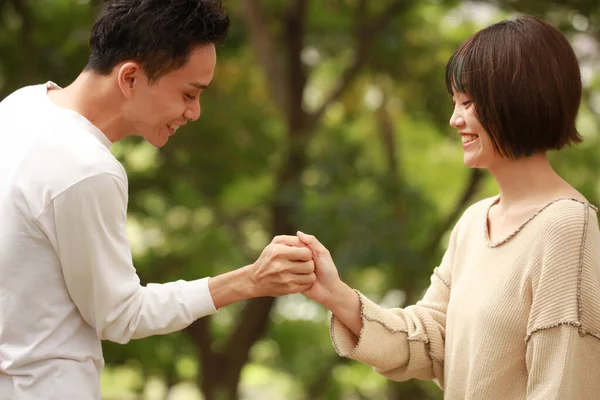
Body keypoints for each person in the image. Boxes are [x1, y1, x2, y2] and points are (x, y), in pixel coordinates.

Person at [0, 1, 316, 399]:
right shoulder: (85, 169)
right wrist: (249, 280)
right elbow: (120, 316)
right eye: (188, 93)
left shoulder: (20, 106)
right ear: (130, 77)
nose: (195, 112)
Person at [297, 15, 600, 399]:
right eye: (456, 102)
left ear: (519, 98)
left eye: (469, 103)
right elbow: (430, 340)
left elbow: (562, 384)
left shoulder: (566, 225)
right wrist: (334, 293)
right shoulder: (474, 222)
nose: (455, 119)